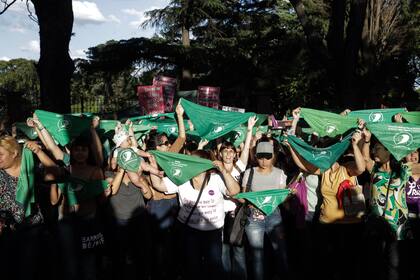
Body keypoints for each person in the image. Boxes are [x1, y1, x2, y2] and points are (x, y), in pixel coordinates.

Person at [286, 129, 366, 280]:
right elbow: (304, 166)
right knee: (327, 263)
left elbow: (361, 168)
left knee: (348, 265)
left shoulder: (347, 168)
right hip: (326, 224)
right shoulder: (323, 170)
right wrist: (291, 146)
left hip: (350, 225)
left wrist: (355, 146)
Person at [148, 149, 240, 280]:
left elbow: (235, 191)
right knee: (193, 267)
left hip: (213, 233)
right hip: (189, 232)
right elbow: (159, 185)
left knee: (214, 267)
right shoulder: (182, 179)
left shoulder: (216, 179)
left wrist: (224, 171)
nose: (188, 163)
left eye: (192, 160)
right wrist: (153, 165)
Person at [362, 127, 420, 280]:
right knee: (376, 266)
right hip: (376, 227)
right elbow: (365, 158)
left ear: (388, 152)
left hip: (397, 229)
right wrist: (367, 140)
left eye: (378, 148)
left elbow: (411, 157)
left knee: (394, 266)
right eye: (374, 148)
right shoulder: (374, 169)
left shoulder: (402, 171)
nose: (374, 151)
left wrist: (402, 127)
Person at [0, 136, 57, 280]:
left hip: (33, 230)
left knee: (30, 272)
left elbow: (56, 173)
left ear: (14, 153)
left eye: (1, 155)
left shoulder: (31, 168)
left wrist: (39, 152)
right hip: (7, 233)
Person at [242, 141, 289, 280]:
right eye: (261, 156)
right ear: (256, 157)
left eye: (267, 157)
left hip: (274, 216)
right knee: (257, 256)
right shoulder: (249, 172)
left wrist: (288, 195)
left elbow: (282, 196)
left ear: (273, 156)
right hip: (253, 217)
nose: (264, 160)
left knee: (281, 252)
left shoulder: (280, 173)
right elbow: (245, 194)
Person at [219, 115, 256, 280]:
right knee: (223, 249)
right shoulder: (215, 170)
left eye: (231, 151)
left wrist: (249, 130)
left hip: (237, 214)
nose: (228, 153)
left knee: (239, 249)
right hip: (219, 215)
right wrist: (217, 129)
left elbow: (247, 149)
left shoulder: (239, 167)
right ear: (220, 153)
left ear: (235, 154)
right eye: (225, 150)